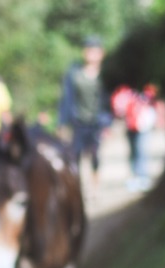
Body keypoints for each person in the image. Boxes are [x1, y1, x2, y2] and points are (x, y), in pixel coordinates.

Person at [58, 37, 110, 182]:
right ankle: (78, 187)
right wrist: (62, 123)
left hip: (97, 122)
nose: (92, 55)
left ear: (102, 53)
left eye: (96, 51)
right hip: (79, 122)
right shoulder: (74, 74)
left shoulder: (106, 74)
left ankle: (95, 188)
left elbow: (108, 101)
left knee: (95, 157)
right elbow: (67, 99)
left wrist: (108, 123)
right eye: (89, 51)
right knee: (76, 156)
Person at [113, 82, 160, 190]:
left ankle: (143, 177)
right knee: (133, 152)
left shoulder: (147, 91)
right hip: (130, 126)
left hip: (142, 126)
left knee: (141, 151)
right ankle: (135, 176)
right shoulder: (125, 92)